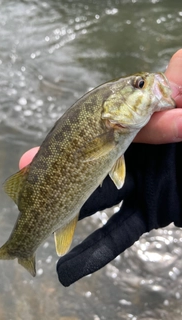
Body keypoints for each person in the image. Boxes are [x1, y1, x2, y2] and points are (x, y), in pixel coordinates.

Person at [19, 49, 182, 286]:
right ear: (111, 111)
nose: (150, 83)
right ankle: (23, 247)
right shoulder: (112, 128)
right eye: (140, 84)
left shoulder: (118, 126)